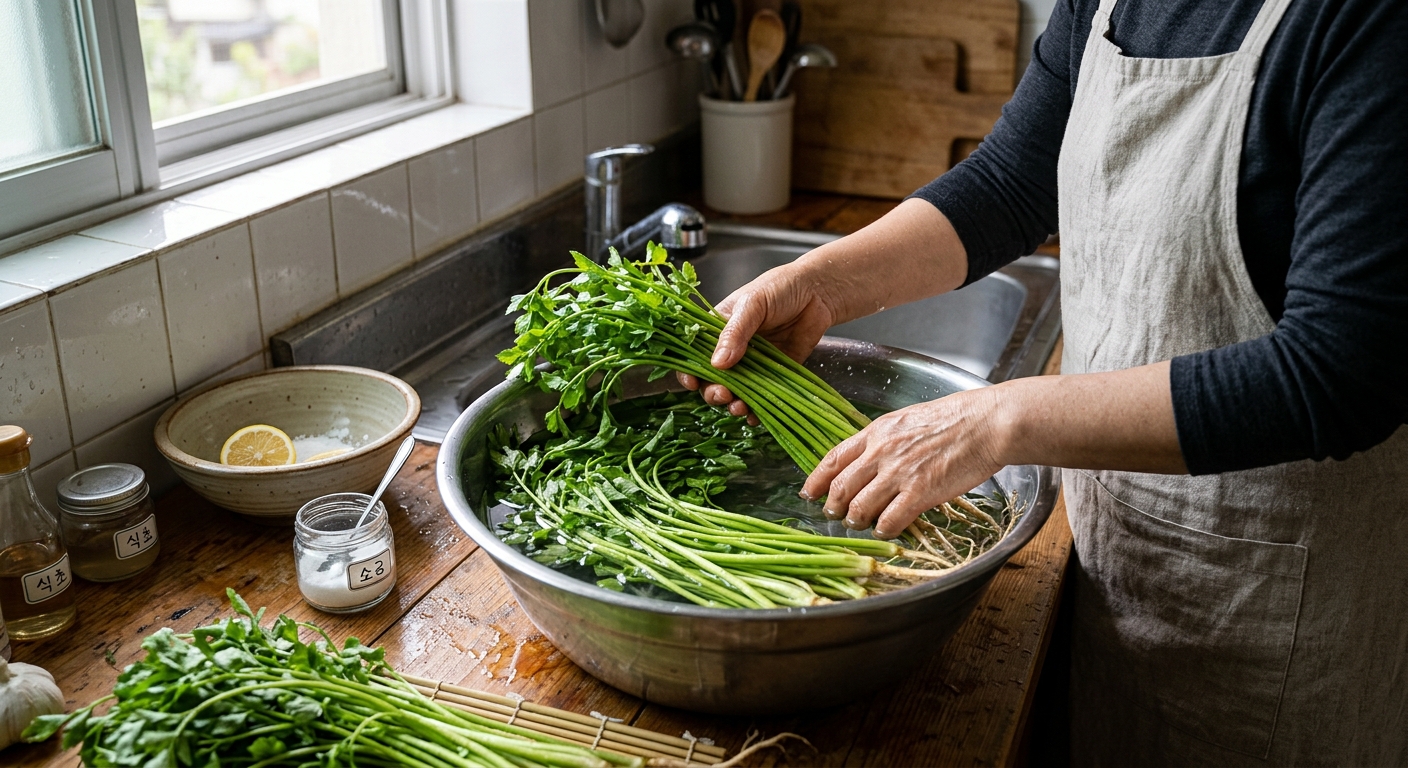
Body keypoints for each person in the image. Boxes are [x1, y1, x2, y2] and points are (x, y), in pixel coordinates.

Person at [677, 0, 1408, 763]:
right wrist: (820, 282)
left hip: (1275, 603)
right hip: (1119, 555)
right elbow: (1013, 181)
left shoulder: (1369, 25)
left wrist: (993, 421)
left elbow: (1343, 372)